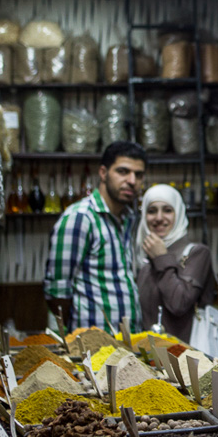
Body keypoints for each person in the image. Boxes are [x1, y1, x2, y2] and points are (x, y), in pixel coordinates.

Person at [44, 141, 146, 331]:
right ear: (103, 173)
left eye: (138, 174)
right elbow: (58, 291)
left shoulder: (129, 219)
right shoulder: (80, 218)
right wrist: (77, 336)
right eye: (123, 171)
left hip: (128, 344)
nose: (132, 180)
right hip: (93, 347)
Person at [135, 183, 216, 341]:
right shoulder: (144, 259)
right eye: (152, 211)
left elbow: (179, 303)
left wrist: (161, 257)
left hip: (188, 358)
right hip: (152, 357)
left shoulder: (197, 253)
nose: (159, 218)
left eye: (167, 210)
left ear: (178, 213)